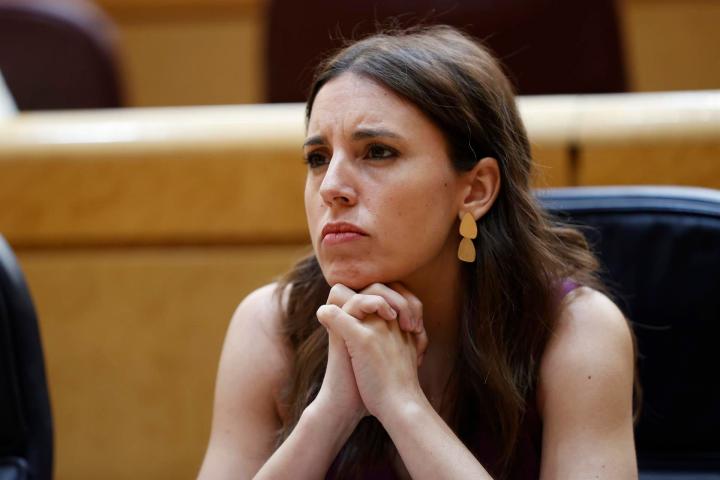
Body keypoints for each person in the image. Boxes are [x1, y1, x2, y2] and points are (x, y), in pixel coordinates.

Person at [198, 25, 638, 479]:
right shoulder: (270, 325)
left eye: (377, 152)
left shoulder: (576, 331)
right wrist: (329, 412)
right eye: (318, 158)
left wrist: (402, 405)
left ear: (475, 190)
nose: (331, 187)